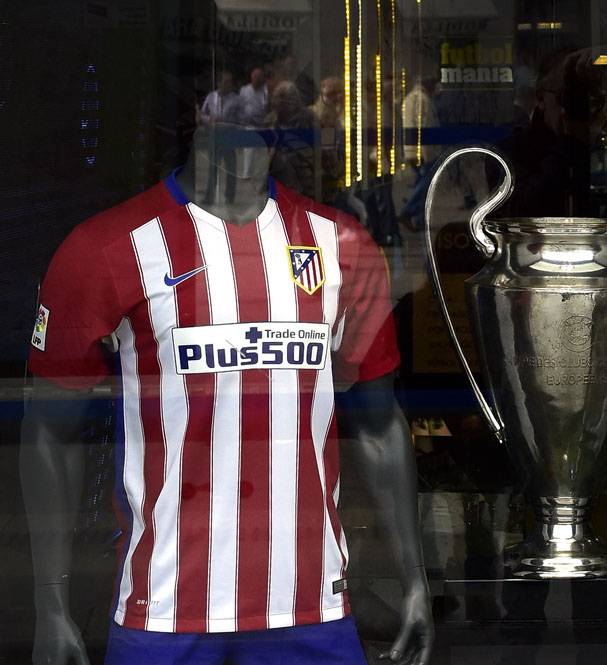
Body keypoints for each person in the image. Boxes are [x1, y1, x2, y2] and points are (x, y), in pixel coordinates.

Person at [23, 124, 434, 665]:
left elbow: (379, 426)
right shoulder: (108, 247)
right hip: (163, 610)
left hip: (311, 606)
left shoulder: (341, 245)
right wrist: (50, 604)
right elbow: (49, 430)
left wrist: (414, 580)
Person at [198, 71, 242, 202]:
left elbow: (241, 118)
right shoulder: (211, 97)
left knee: (231, 169)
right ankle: (209, 197)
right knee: (213, 168)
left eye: (230, 82)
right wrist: (209, 119)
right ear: (219, 83)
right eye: (226, 81)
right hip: (215, 136)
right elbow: (202, 114)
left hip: (229, 136)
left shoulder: (236, 99)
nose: (229, 84)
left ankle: (229, 197)